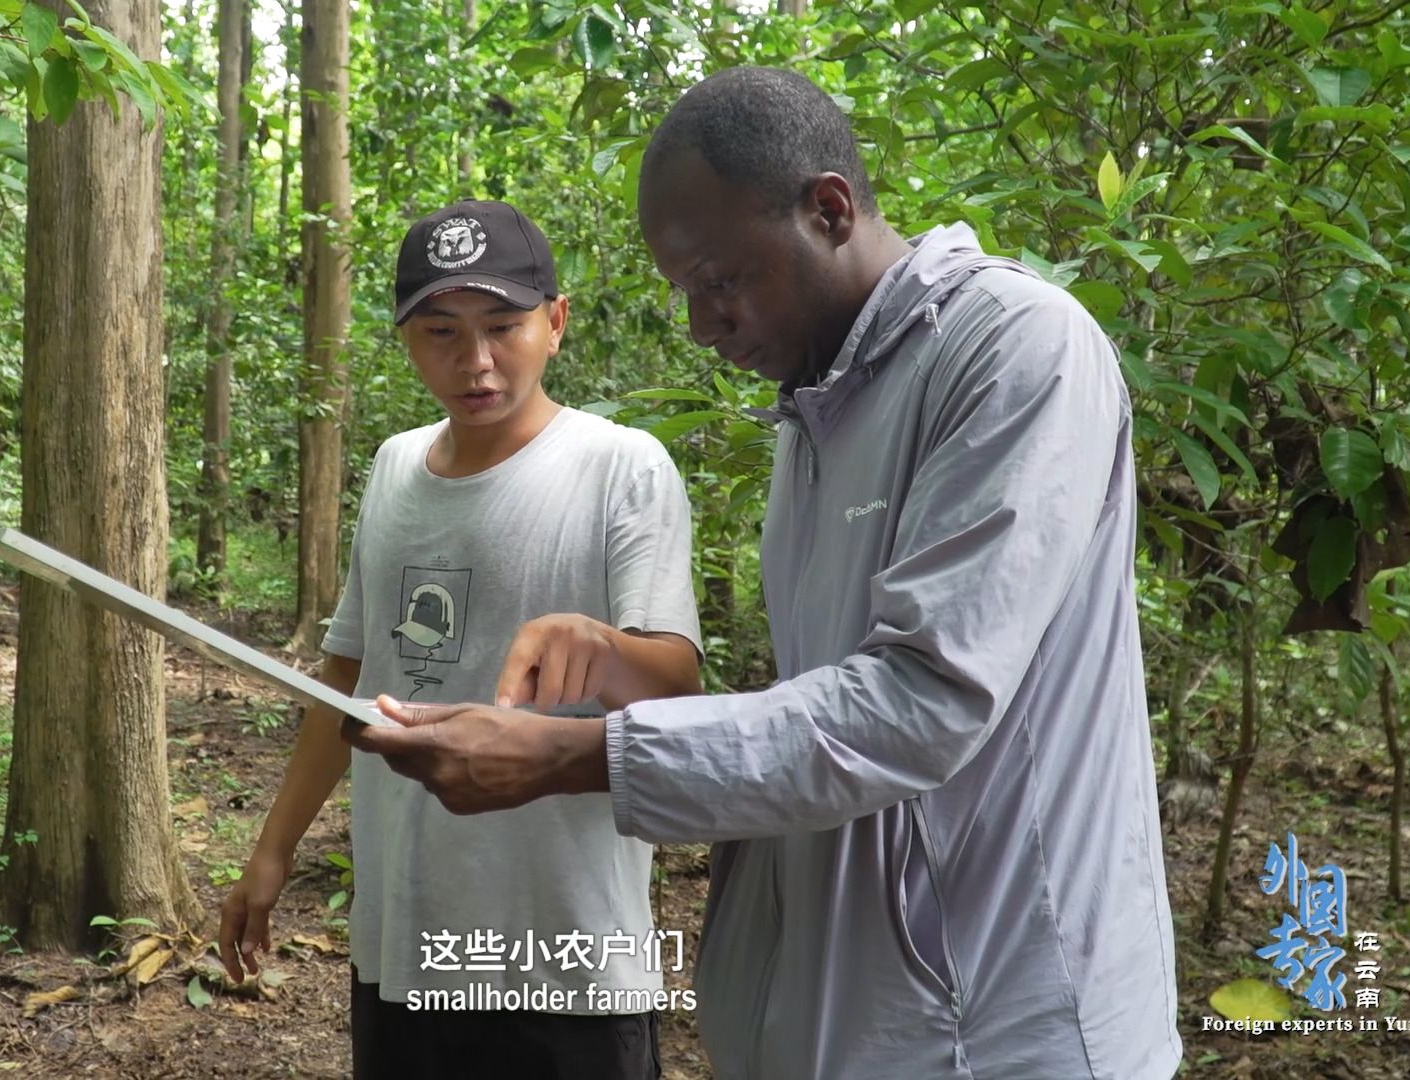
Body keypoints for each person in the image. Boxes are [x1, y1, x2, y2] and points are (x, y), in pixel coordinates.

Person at [349, 68, 1182, 1079]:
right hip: (856, 1018)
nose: (705, 326)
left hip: (998, 1027)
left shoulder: (1016, 351)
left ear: (828, 209)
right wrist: (605, 662)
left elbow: (919, 703)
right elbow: (820, 708)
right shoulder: (816, 417)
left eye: (721, 280)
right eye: (687, 293)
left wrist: (578, 759)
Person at [218, 199, 703, 1080]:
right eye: (440, 331)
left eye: (504, 327)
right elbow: (350, 676)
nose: (475, 361)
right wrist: (273, 848)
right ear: (406, 338)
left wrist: (598, 645)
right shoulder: (397, 466)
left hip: (568, 960)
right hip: (408, 945)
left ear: (555, 324)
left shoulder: (621, 466)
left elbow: (675, 689)